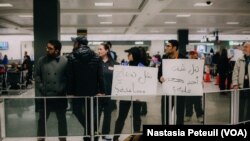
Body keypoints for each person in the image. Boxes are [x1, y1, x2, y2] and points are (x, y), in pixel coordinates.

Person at [67, 36, 105, 141]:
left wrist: (69, 92)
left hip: (77, 92)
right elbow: (100, 76)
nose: (73, 44)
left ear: (78, 44)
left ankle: (89, 132)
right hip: (92, 92)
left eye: (74, 42)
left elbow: (70, 77)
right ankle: (91, 132)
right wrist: (102, 91)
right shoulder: (97, 57)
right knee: (90, 114)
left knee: (76, 111)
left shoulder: (72, 57)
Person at [35, 40, 68, 141]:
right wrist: (42, 87)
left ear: (57, 50)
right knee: (42, 121)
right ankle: (40, 139)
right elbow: (37, 76)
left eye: (50, 48)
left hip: (60, 96)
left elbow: (68, 77)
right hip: (45, 96)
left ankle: (62, 139)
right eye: (47, 47)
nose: (47, 49)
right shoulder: (41, 60)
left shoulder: (65, 61)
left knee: (62, 120)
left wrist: (62, 88)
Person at [113, 47, 148, 141]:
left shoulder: (142, 66)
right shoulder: (125, 65)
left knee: (137, 116)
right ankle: (115, 137)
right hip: (125, 95)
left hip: (137, 95)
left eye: (130, 54)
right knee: (121, 117)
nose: (128, 55)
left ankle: (136, 137)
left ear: (135, 55)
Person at [158, 40, 186, 125]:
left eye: (168, 46)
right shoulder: (165, 59)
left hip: (180, 92)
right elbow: (159, 73)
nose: (166, 48)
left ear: (174, 48)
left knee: (180, 116)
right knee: (165, 115)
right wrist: (160, 78)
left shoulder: (184, 59)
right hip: (167, 92)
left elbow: (188, 75)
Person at [97, 42, 119, 140]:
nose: (99, 51)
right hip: (97, 94)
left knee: (107, 115)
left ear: (107, 50)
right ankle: (95, 132)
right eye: (98, 49)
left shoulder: (115, 64)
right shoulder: (95, 63)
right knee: (96, 115)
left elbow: (119, 80)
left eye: (101, 49)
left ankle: (105, 133)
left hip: (110, 95)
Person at [232, 42, 250, 123]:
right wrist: (235, 84)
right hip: (241, 87)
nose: (244, 48)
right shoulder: (240, 60)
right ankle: (240, 121)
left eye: (246, 47)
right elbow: (235, 72)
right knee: (240, 106)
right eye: (244, 47)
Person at [184, 51, 204, 123]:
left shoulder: (200, 63)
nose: (192, 55)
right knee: (188, 101)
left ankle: (199, 115)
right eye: (191, 54)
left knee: (198, 102)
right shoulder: (186, 63)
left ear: (196, 55)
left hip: (197, 85)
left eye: (194, 54)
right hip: (188, 85)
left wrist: (202, 81)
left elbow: (202, 73)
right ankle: (188, 115)